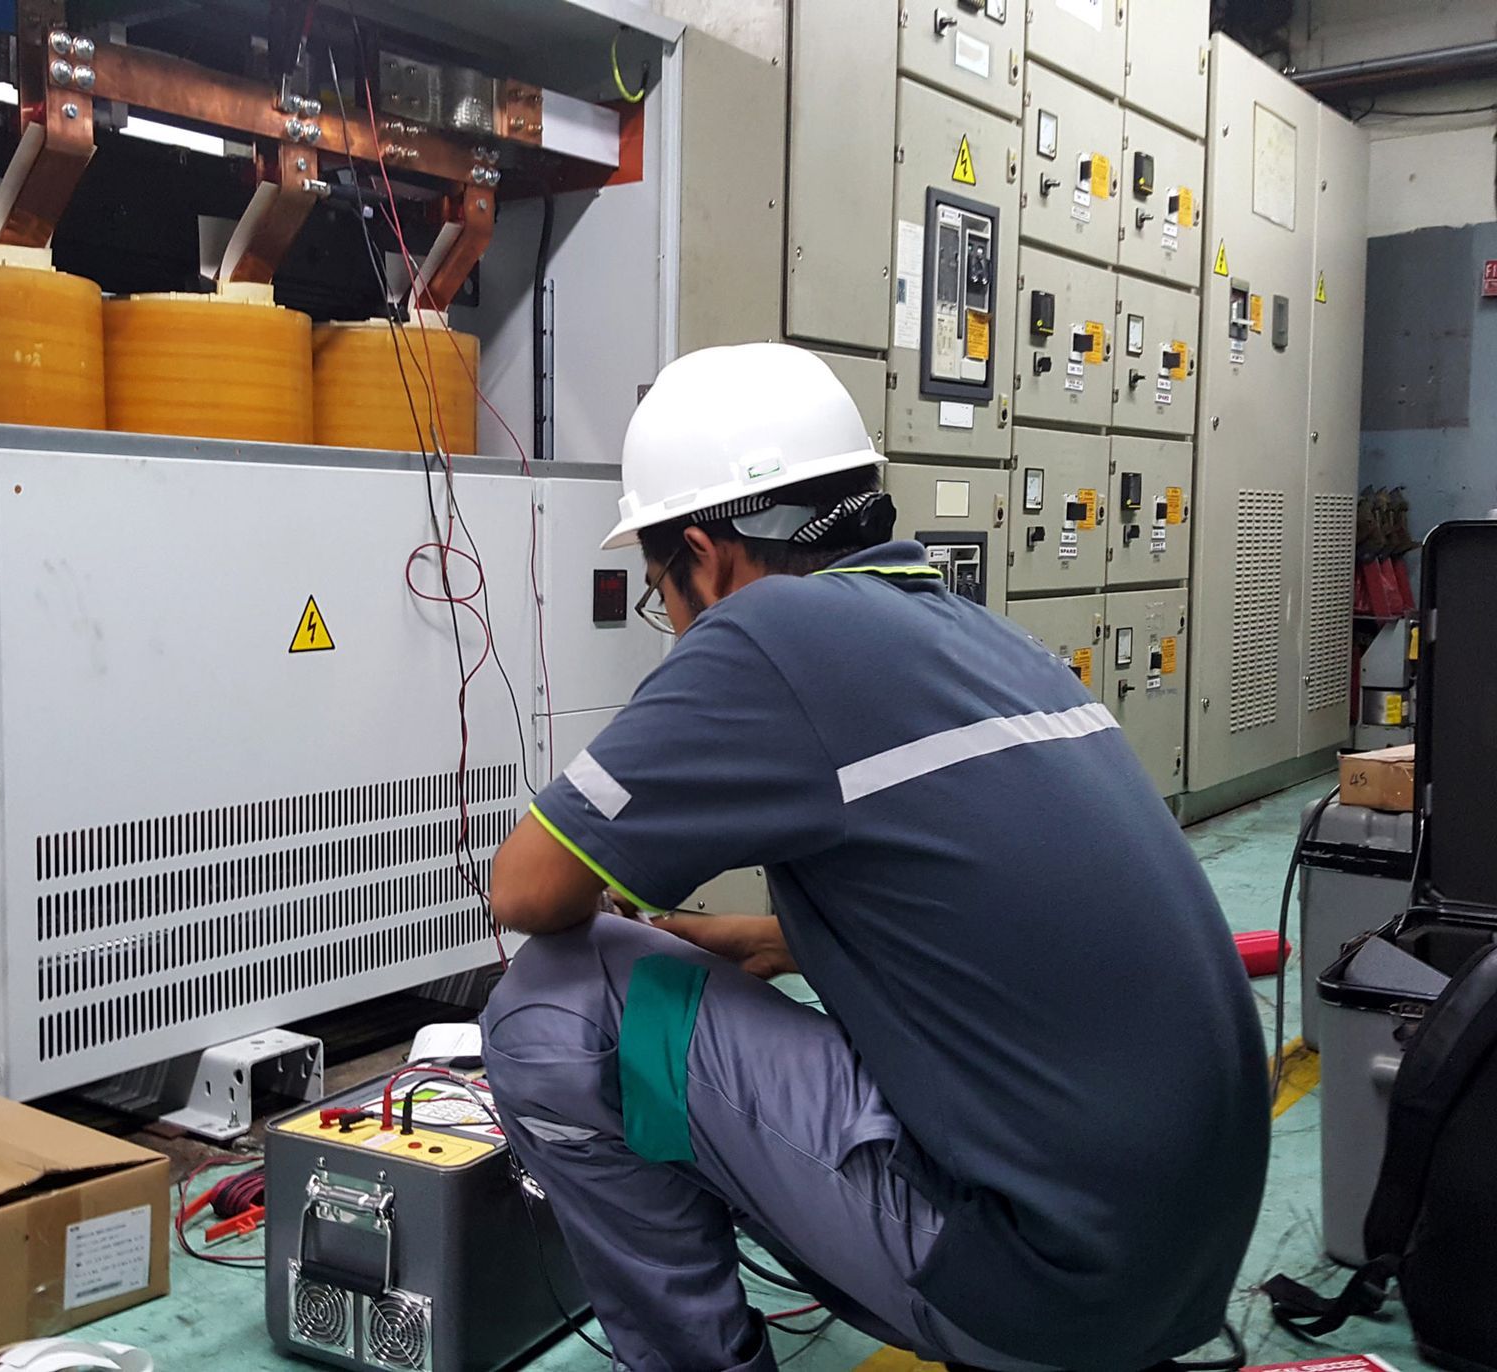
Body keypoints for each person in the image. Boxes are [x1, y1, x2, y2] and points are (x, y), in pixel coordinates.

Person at [480, 344, 1269, 1372]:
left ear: (704, 554)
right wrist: (782, 937)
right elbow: (1012, 912)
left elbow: (527, 888)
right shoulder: (978, 634)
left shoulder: (762, 629)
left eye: (658, 589)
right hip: (1182, 1262)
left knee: (557, 1006)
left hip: (1038, 1288)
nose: (669, 619)